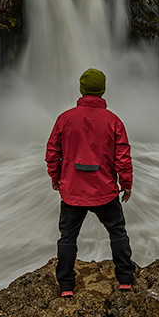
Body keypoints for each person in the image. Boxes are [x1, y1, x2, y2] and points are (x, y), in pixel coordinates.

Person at [45, 68, 135, 297]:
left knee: (67, 237)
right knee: (117, 232)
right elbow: (122, 157)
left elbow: (52, 152)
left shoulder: (65, 119)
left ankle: (66, 286)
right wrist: (126, 184)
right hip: (104, 190)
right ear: (103, 91)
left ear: (81, 89)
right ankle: (125, 279)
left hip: (72, 190)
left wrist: (56, 178)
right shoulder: (113, 121)